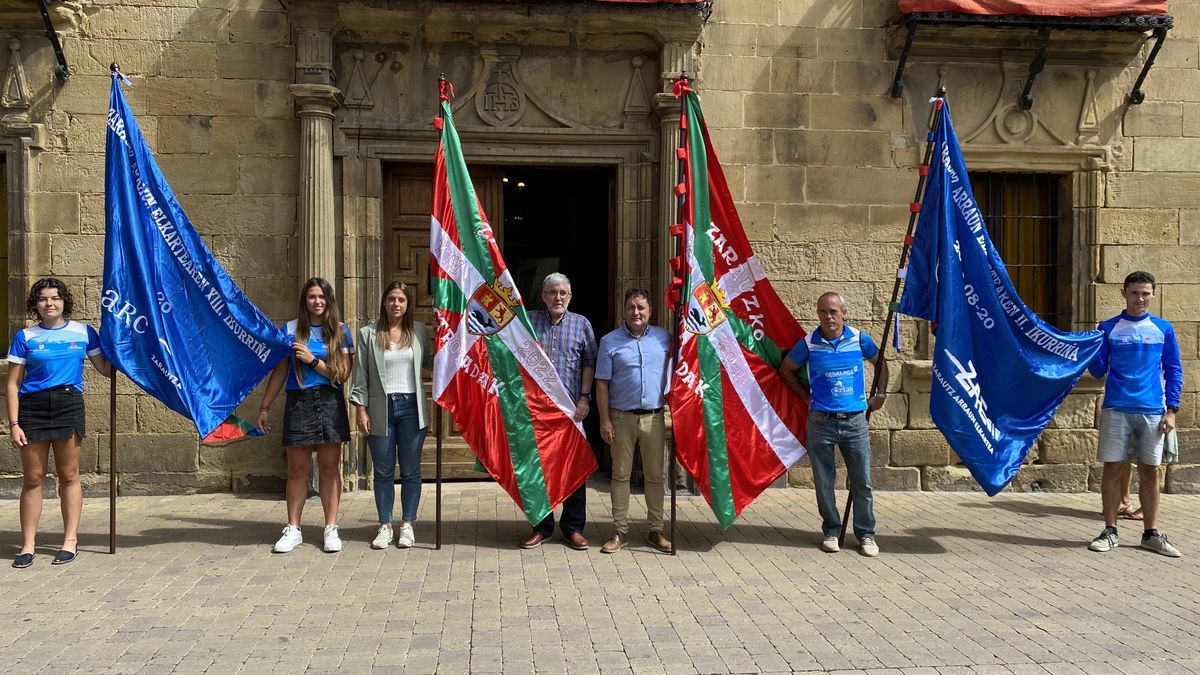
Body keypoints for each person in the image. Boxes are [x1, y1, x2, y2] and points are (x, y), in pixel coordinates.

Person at [7, 277, 113, 568]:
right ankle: (28, 545)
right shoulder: (25, 337)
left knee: (69, 476)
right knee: (33, 479)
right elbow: (13, 385)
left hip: (68, 404)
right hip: (33, 408)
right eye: (43, 299)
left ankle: (70, 540)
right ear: (35, 304)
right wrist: (14, 424)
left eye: (55, 298)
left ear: (65, 302)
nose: (49, 303)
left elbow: (105, 369)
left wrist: (121, 346)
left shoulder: (83, 332)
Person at [779, 292, 887, 557]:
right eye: (823, 311)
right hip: (820, 421)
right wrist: (805, 396)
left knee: (862, 481)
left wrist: (881, 395)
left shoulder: (860, 339)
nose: (829, 317)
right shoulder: (808, 344)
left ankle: (866, 534)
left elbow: (881, 363)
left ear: (844, 314)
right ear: (818, 314)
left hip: (855, 421)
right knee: (824, 482)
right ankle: (831, 530)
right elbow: (786, 369)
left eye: (834, 312)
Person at [1086, 270, 1183, 557]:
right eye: (1134, 292)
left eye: (1145, 293)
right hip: (1116, 407)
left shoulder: (1163, 328)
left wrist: (1172, 410)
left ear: (1153, 294)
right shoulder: (1108, 327)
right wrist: (1094, 345)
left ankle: (1151, 533)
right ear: (1124, 293)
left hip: (1153, 410)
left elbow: (1174, 370)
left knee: (1151, 471)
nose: (1139, 298)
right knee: (1113, 468)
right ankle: (1110, 530)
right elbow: (1098, 370)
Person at [255, 278, 354, 554]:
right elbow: (279, 372)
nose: (317, 302)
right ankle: (294, 528)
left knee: (329, 469)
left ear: (329, 300)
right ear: (305, 300)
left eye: (322, 297)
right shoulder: (290, 330)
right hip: (298, 401)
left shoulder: (341, 331)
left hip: (329, 401)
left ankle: (331, 527)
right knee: (297, 469)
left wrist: (312, 360)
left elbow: (342, 375)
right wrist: (264, 407)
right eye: (312, 297)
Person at [350, 281, 433, 550]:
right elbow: (360, 374)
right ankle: (385, 525)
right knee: (383, 472)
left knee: (411, 471)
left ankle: (407, 524)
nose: (396, 304)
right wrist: (360, 409)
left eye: (401, 300)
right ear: (384, 302)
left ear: (407, 305)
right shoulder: (368, 334)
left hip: (412, 408)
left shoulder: (419, 331)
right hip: (380, 408)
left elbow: (433, 363)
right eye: (391, 299)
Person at [520, 273, 597, 551]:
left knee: (574, 470)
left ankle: (573, 527)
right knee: (539, 472)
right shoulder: (528, 322)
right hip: (537, 412)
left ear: (570, 296)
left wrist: (584, 398)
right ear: (543, 296)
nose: (558, 297)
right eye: (553, 292)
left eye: (563, 292)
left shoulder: (582, 325)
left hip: (571, 411)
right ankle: (542, 527)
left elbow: (589, 363)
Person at [595, 287, 672, 554]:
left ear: (650, 310)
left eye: (641, 307)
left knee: (655, 476)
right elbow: (602, 383)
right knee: (620, 476)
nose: (636, 312)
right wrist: (604, 419)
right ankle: (620, 531)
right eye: (631, 307)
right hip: (620, 418)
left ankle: (656, 530)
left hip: (654, 417)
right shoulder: (610, 341)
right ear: (624, 310)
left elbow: (678, 374)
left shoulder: (665, 338)